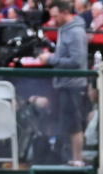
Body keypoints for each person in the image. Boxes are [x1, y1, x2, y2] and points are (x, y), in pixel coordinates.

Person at [35, 0, 87, 164]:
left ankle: (77, 161)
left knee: (74, 125)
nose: (53, 20)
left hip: (73, 84)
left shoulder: (75, 32)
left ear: (65, 12)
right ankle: (69, 160)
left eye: (56, 16)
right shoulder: (64, 30)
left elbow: (77, 61)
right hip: (64, 84)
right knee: (66, 125)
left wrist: (50, 59)